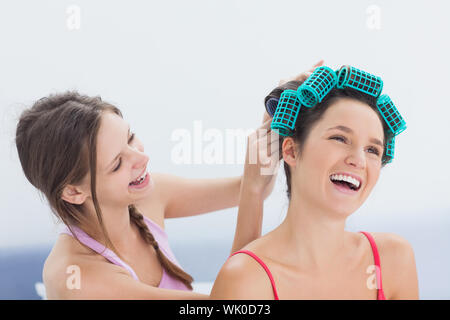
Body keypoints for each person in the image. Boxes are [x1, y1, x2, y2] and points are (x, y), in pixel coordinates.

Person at [13, 60, 322, 299]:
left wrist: (271, 125)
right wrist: (252, 191)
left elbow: (249, 188)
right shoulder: (78, 277)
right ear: (73, 191)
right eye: (118, 163)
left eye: (131, 138)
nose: (141, 159)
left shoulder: (145, 196)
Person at [210, 67, 419, 300]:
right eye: (339, 138)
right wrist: (253, 190)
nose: (359, 161)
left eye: (372, 150)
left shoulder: (394, 261)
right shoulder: (244, 279)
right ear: (291, 151)